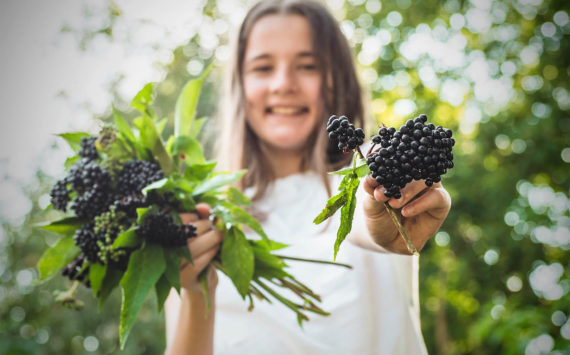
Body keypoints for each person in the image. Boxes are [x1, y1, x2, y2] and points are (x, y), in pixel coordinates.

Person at [164, 0, 451, 354]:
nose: (284, 84)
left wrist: (392, 202)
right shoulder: (202, 222)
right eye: (263, 67)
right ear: (241, 85)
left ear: (336, 80)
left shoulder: (359, 188)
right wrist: (196, 291)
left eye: (308, 66)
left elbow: (365, 219)